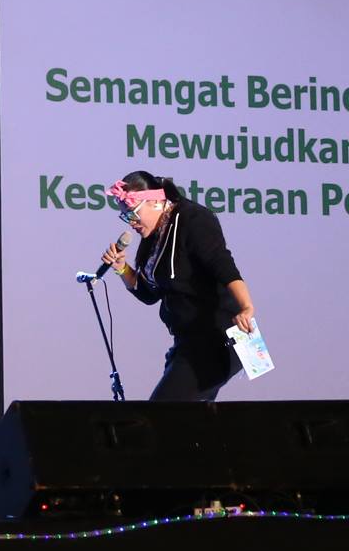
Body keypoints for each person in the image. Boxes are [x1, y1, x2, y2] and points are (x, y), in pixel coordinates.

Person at [101, 171, 258, 401]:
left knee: (162, 413)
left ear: (155, 201)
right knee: (185, 418)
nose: (131, 222)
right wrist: (122, 268)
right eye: (125, 217)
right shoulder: (155, 236)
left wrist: (246, 307)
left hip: (217, 340)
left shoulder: (193, 219)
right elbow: (149, 294)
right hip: (188, 343)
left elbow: (223, 265)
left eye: (133, 213)